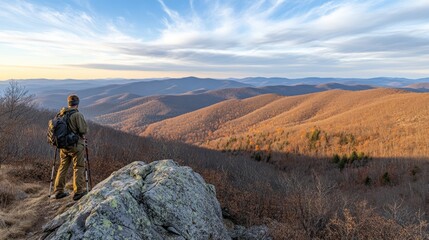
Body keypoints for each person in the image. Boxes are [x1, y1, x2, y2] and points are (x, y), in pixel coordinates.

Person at [53, 94, 89, 201]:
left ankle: (58, 191)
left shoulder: (60, 114)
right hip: (76, 145)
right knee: (78, 167)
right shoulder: (77, 115)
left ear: (68, 103)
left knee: (63, 167)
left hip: (63, 146)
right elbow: (83, 130)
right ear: (77, 104)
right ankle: (78, 192)